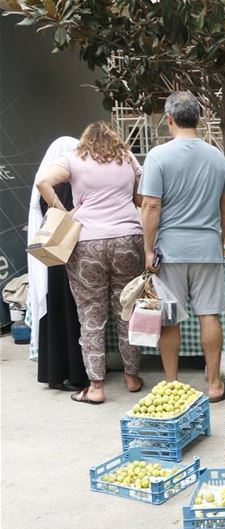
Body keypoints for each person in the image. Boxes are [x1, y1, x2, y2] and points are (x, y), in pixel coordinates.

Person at [139, 91, 225, 403]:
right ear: (198, 118)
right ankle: (213, 386)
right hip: (207, 247)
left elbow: (151, 206)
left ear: (169, 119)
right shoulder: (216, 156)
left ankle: (172, 386)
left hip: (170, 249)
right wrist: (220, 236)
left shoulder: (158, 156)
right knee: (209, 315)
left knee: (169, 318)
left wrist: (147, 249)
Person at [35, 122, 146, 404]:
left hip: (87, 244)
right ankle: (132, 377)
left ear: (85, 141)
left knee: (91, 315)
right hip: (127, 240)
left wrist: (64, 212)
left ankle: (96, 387)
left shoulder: (73, 158)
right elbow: (139, 198)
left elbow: (42, 182)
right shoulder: (128, 158)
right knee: (128, 309)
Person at [27, 136, 89, 391]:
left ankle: (53, 373)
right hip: (71, 254)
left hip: (52, 257)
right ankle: (76, 373)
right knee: (73, 312)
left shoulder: (46, 188)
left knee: (54, 311)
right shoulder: (71, 185)